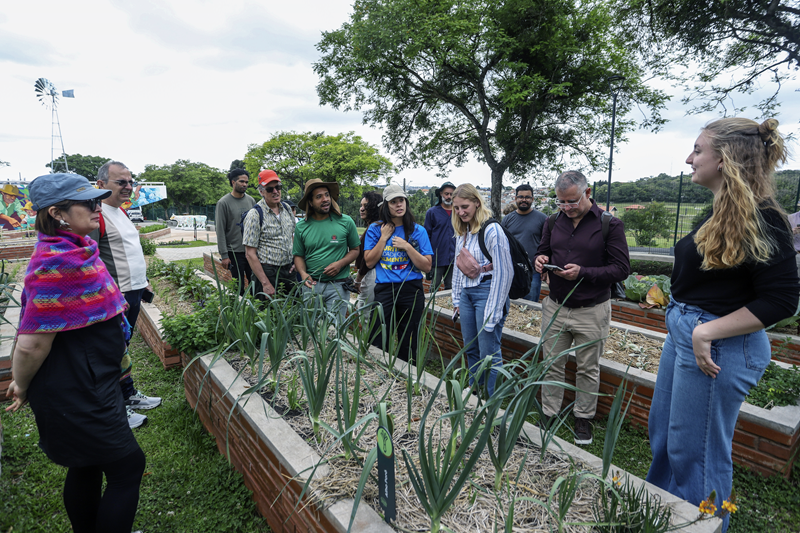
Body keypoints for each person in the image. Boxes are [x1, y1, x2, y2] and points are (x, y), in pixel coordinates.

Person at [646, 118, 800, 533]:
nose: (688, 158)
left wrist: (706, 331)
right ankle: (658, 517)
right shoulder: (719, 210)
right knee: (663, 437)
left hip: (718, 344)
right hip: (689, 333)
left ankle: (698, 525)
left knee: (694, 452)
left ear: (726, 159)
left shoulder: (766, 218)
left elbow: (783, 299)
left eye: (697, 150)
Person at [5, 173, 145, 533]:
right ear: (58, 213)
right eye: (89, 203)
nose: (98, 208)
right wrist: (20, 383)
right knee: (128, 466)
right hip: (77, 387)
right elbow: (32, 341)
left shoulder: (76, 250)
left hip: (93, 378)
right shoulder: (57, 263)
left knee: (86, 463)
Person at [533, 170, 630, 445]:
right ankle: (549, 412)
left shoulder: (609, 224)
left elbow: (622, 269)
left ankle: (583, 418)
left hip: (592, 309)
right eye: (561, 202)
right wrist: (540, 260)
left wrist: (583, 272)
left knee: (588, 367)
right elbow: (542, 250)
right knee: (551, 363)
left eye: (572, 202)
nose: (566, 208)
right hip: (556, 305)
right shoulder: (553, 222)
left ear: (587, 193)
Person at [91, 161, 161, 429]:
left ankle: (128, 395)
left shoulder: (120, 212)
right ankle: (115, 409)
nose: (129, 187)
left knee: (122, 349)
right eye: (121, 182)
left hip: (133, 291)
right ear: (101, 185)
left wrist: (143, 282)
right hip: (114, 296)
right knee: (112, 352)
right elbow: (92, 260)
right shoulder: (98, 216)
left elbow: (128, 252)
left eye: (130, 181)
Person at [451, 184, 513, 397]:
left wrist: (494, 309)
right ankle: (474, 389)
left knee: (489, 352)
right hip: (468, 294)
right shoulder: (463, 231)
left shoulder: (492, 230)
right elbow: (458, 266)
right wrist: (457, 299)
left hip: (488, 291)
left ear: (477, 202)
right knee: (471, 348)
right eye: (457, 208)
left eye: (465, 206)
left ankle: (490, 398)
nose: (461, 212)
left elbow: (505, 272)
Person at [364, 184, 433, 362]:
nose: (398, 205)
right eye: (393, 202)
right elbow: (369, 261)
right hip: (385, 289)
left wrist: (407, 246)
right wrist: (384, 238)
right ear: (386, 206)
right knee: (378, 336)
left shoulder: (418, 231)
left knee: (409, 339)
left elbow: (427, 266)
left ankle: (406, 375)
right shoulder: (375, 229)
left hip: (411, 289)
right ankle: (379, 370)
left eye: (401, 200)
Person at [293, 179, 360, 323]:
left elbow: (355, 250)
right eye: (319, 197)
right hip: (312, 286)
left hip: (338, 287)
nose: (325, 199)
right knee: (311, 331)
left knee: (334, 331)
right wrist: (303, 274)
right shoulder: (301, 226)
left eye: (327, 195)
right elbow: (298, 255)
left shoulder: (346, 221)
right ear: (310, 202)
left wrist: (340, 264)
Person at [243, 169, 296, 298]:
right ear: (261, 191)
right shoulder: (255, 214)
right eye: (270, 189)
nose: (275, 191)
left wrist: (295, 261)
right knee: (267, 312)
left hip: (288, 270)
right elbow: (250, 254)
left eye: (278, 187)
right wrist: (265, 283)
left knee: (292, 310)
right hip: (267, 272)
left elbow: (292, 237)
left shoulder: (287, 209)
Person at [501, 183, 547, 302]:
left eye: (527, 197)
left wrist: (545, 268)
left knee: (530, 306)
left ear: (532, 199)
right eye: (521, 197)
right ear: (515, 198)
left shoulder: (542, 219)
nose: (524, 200)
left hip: (533, 271)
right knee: (510, 305)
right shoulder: (507, 219)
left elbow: (548, 245)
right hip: (511, 270)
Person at [215, 168, 256, 294]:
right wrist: (224, 255)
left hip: (251, 250)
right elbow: (220, 230)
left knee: (255, 283)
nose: (245, 184)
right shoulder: (223, 203)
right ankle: (240, 310)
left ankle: (258, 310)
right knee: (238, 286)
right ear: (233, 182)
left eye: (246, 182)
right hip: (234, 252)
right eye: (242, 181)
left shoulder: (251, 201)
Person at [424, 181, 456, 291]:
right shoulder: (432, 212)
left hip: (454, 258)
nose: (449, 197)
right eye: (446, 194)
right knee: (434, 287)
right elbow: (426, 236)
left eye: (451, 194)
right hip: (437, 257)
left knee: (451, 287)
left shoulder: (458, 213)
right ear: (441, 194)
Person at [354, 191, 383, 309]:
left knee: (364, 311)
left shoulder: (375, 228)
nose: (361, 209)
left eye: (366, 206)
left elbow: (367, 262)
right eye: (361, 206)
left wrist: (358, 280)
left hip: (373, 274)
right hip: (379, 274)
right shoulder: (379, 226)